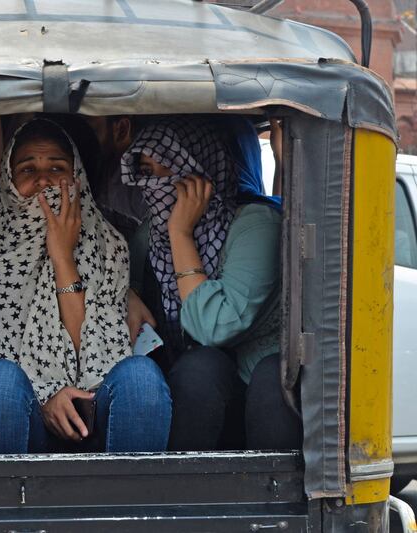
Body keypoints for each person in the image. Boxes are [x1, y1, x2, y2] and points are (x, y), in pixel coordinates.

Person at [0, 119, 171, 454]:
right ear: (8, 180)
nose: (43, 180)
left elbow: (101, 353)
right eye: (27, 169)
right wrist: (46, 400)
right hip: (20, 411)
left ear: (77, 177)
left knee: (141, 376)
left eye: (57, 167)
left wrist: (63, 259)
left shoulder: (109, 245)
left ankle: (132, 503)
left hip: (93, 407)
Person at [120, 116, 300, 451]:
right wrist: (128, 294)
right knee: (194, 370)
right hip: (194, 399)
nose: (156, 184)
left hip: (257, 395)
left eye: (169, 169)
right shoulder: (148, 238)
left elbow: (212, 328)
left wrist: (181, 234)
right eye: (147, 171)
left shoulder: (256, 226)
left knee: (204, 365)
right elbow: (119, 288)